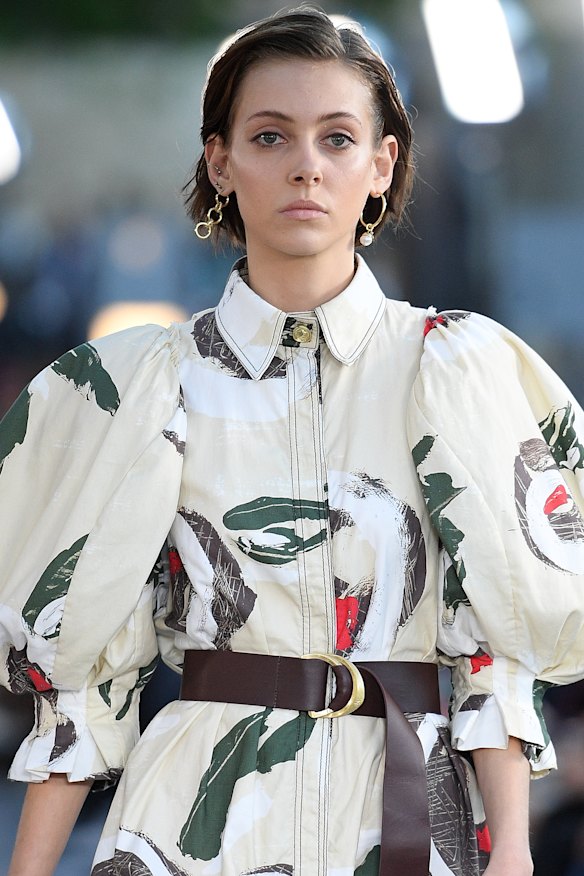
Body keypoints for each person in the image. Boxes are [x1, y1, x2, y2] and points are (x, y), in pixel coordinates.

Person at [3, 7, 584, 875]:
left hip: (407, 814)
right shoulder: (144, 387)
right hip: (191, 824)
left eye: (338, 138)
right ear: (220, 161)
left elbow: (493, 649)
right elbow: (81, 677)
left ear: (382, 163)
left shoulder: (456, 373)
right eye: (270, 136)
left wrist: (515, 854)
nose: (306, 165)